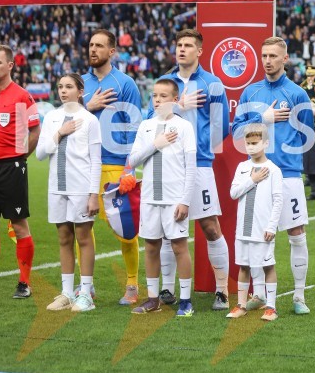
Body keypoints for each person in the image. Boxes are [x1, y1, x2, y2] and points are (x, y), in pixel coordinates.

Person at [150, 29, 230, 310]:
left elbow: (223, 126)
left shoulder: (212, 84)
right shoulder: (165, 83)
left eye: (188, 46)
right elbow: (149, 119)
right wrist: (178, 106)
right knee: (166, 230)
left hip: (199, 166)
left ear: (200, 51)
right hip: (167, 166)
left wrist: (199, 148)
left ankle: (221, 291)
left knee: (209, 226)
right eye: (179, 45)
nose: (182, 49)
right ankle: (167, 290)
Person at [232, 37, 313, 315]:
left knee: (296, 233)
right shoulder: (250, 93)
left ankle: (299, 296)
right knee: (256, 236)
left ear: (285, 59)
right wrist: (262, 120)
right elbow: (235, 133)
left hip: (288, 173)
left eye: (273, 56)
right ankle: (258, 294)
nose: (268, 60)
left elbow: (306, 134)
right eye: (264, 55)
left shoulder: (298, 94)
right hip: (257, 174)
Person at [81, 29, 143, 305]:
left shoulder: (125, 83)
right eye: (91, 45)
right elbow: (67, 120)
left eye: (99, 46)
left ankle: (132, 284)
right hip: (82, 165)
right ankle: (87, 286)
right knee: (82, 226)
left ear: (112, 51)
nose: (93, 50)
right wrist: (87, 105)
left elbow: (135, 126)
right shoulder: (80, 83)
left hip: (115, 164)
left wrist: (130, 167)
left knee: (125, 229)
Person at [128, 79, 197, 316]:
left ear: (175, 100)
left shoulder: (184, 127)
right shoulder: (146, 126)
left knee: (179, 247)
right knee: (151, 247)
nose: (157, 100)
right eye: (155, 95)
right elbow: (133, 160)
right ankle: (152, 299)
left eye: (163, 96)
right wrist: (155, 145)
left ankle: (186, 301)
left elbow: (191, 167)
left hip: (173, 198)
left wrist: (185, 200)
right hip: (149, 198)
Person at [36, 74, 101, 312]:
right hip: (57, 187)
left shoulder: (89, 120)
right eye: (61, 87)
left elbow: (96, 160)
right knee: (64, 238)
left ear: (80, 91)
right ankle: (66, 292)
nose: (63, 91)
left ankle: (85, 294)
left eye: (69, 87)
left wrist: (93, 194)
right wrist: (60, 133)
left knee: (84, 239)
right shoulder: (52, 118)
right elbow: (41, 153)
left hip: (81, 188)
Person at [226, 124, 284, 322]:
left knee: (268, 266)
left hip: (262, 229)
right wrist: (252, 179)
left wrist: (271, 226)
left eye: (255, 143)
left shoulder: (274, 170)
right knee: (244, 266)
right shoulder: (242, 168)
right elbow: (233, 193)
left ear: (266, 143)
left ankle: (271, 307)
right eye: (248, 143)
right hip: (243, 229)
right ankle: (241, 305)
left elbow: (278, 200)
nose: (250, 147)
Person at [0, 45, 40, 299]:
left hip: (10, 167)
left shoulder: (22, 96)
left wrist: (22, 156)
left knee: (19, 225)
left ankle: (24, 283)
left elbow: (35, 131)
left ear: (10, 65)